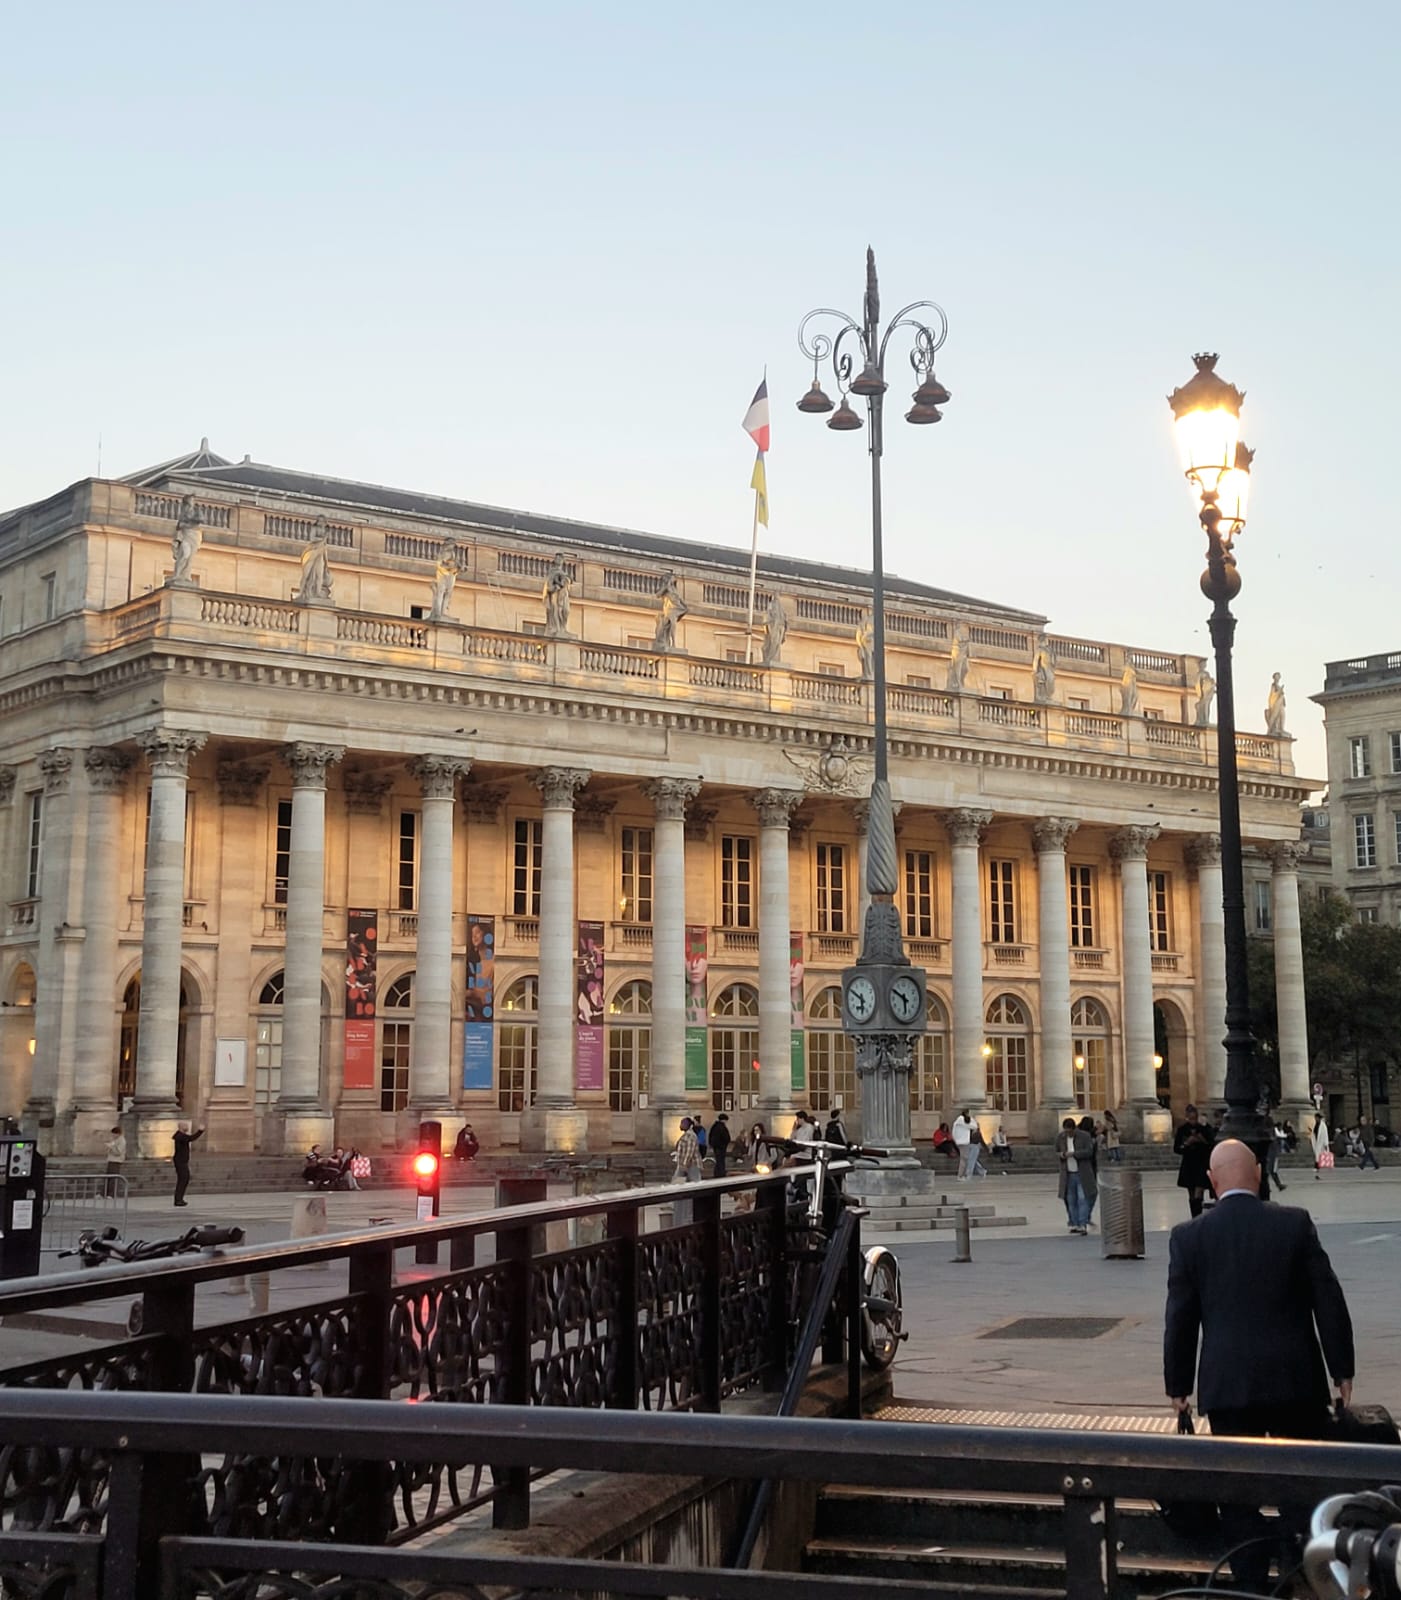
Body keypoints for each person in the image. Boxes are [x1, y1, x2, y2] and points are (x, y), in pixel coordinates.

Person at [1164, 1138, 1355, 1586]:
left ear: (1211, 1183)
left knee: (1237, 1491)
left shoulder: (1190, 1236)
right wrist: (1341, 1368)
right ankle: (1301, 1570)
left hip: (1228, 1386)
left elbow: (1181, 1318)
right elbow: (1328, 1300)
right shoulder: (1293, 1224)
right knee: (1303, 1484)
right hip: (1296, 1382)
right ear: (1257, 1175)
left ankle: (1250, 1581)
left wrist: (1179, 1387)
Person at [1174, 1104, 1214, 1218]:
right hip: (1189, 1164)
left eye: (1194, 1118)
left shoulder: (1204, 1129)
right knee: (1191, 1193)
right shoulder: (1182, 1130)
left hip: (1201, 1163)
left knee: (1199, 1191)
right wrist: (1187, 1143)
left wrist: (1202, 1140)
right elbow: (1177, 1149)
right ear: (1186, 1117)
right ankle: (1194, 1217)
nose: (1193, 1121)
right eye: (1190, 1118)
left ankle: (1199, 1217)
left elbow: (1211, 1144)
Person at [1056, 1117, 1090, 1234]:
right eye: (1065, 1131)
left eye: (1069, 1132)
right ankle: (1074, 1223)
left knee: (1082, 1199)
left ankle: (1083, 1223)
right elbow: (1056, 1151)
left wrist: (1075, 1154)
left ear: (1074, 1129)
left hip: (1081, 1172)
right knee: (1071, 1199)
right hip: (1068, 1173)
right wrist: (1062, 1154)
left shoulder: (1084, 1136)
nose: (1067, 1134)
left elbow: (1089, 1151)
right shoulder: (1061, 1137)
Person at [172, 1121, 204, 1206]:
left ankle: (179, 1199)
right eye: (185, 1126)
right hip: (180, 1161)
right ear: (181, 1127)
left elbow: (189, 1138)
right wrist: (200, 1131)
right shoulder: (180, 1136)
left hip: (182, 1161)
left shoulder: (180, 1136)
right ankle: (178, 1200)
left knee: (183, 1180)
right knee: (183, 1180)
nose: (187, 1127)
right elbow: (191, 1138)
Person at [542, 553, 572, 636]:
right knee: (555, 610)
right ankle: (556, 628)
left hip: (563, 595)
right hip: (555, 594)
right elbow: (548, 584)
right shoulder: (552, 572)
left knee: (566, 611)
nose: (558, 560)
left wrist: (566, 580)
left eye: (560, 559)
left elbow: (568, 583)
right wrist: (555, 587)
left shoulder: (564, 573)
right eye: (557, 558)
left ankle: (563, 628)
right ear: (555, 560)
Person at [672, 1117, 701, 1182]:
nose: (681, 1125)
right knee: (677, 1184)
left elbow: (689, 1151)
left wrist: (684, 1164)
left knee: (695, 1184)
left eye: (683, 1124)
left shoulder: (690, 1135)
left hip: (691, 1164)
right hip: (683, 1163)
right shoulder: (686, 1135)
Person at [951, 1108, 977, 1181]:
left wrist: (955, 1139)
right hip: (964, 1142)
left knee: (964, 1158)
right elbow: (974, 1126)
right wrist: (972, 1119)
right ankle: (960, 1175)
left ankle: (962, 1175)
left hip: (959, 1141)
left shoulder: (958, 1120)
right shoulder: (963, 1120)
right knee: (964, 1159)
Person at [1267, 1120, 1288, 1192]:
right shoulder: (1272, 1135)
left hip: (1271, 1154)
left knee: (1271, 1171)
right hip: (1271, 1154)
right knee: (1271, 1171)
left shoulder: (1271, 1135)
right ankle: (1277, 1185)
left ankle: (1278, 1185)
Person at [1311, 1112, 1330, 1179]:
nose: (1315, 1119)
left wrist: (1325, 1144)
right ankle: (1317, 1167)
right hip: (1317, 1142)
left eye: (1316, 1117)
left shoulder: (1323, 1125)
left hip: (1321, 1143)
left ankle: (1317, 1167)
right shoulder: (1316, 1125)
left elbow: (1325, 1135)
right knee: (1317, 1155)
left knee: (1319, 1156)